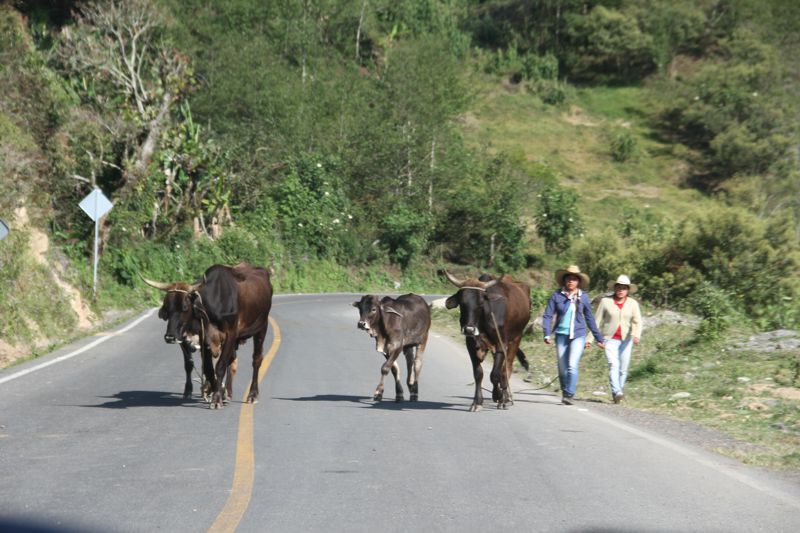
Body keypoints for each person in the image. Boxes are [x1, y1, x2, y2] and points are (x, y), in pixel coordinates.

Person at [542, 265, 605, 405]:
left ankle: (569, 394)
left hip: (578, 335)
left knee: (572, 365)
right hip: (561, 335)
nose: (571, 281)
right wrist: (547, 333)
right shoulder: (557, 295)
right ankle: (565, 391)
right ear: (564, 280)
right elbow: (547, 315)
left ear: (578, 282)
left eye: (574, 279)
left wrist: (598, 338)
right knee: (562, 367)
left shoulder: (584, 297)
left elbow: (590, 318)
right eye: (568, 278)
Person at [595, 274, 642, 404]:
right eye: (619, 287)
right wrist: (592, 339)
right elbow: (596, 321)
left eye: (624, 288)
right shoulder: (605, 301)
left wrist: (636, 335)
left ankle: (618, 394)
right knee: (613, 364)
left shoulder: (633, 304)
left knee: (623, 369)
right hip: (609, 339)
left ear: (628, 290)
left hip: (626, 340)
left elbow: (637, 321)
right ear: (615, 288)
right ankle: (617, 392)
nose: (621, 290)